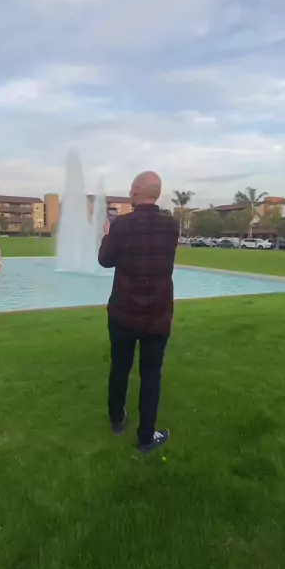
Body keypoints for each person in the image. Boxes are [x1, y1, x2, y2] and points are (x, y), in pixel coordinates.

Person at [98, 171, 179, 453]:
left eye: (132, 187)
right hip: (157, 315)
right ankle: (146, 437)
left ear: (136, 191)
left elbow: (105, 260)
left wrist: (107, 237)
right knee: (151, 374)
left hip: (123, 313)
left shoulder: (122, 225)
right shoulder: (172, 226)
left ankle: (116, 419)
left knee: (120, 367)